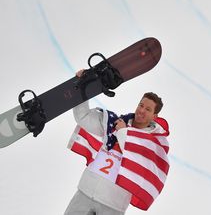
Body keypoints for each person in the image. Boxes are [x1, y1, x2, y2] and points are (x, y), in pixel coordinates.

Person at [64, 70, 170, 215]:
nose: (141, 110)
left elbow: (134, 149)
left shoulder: (152, 143)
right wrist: (82, 86)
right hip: (86, 191)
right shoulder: (114, 123)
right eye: (141, 105)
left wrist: (123, 131)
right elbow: (82, 117)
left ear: (154, 116)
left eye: (148, 109)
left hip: (113, 205)